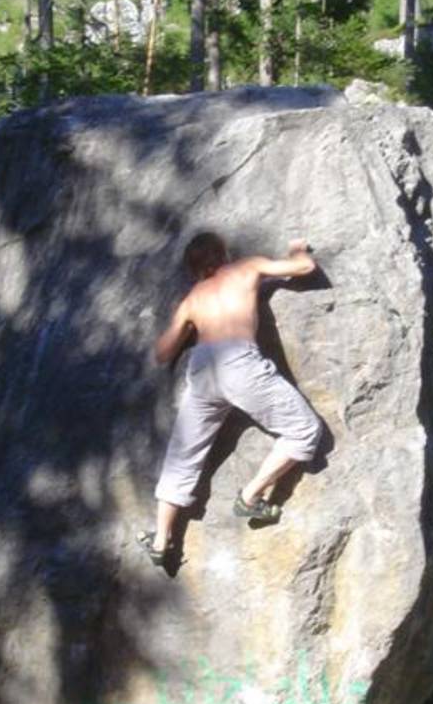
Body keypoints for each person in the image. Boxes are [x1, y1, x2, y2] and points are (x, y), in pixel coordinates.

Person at [137, 232, 323, 565]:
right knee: (305, 430)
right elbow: (304, 267)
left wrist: (190, 327)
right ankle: (251, 496)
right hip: (238, 361)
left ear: (193, 268)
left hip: (202, 365)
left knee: (183, 454)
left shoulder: (193, 298)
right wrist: (297, 249)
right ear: (223, 252)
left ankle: (161, 539)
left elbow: (162, 353)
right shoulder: (246, 268)